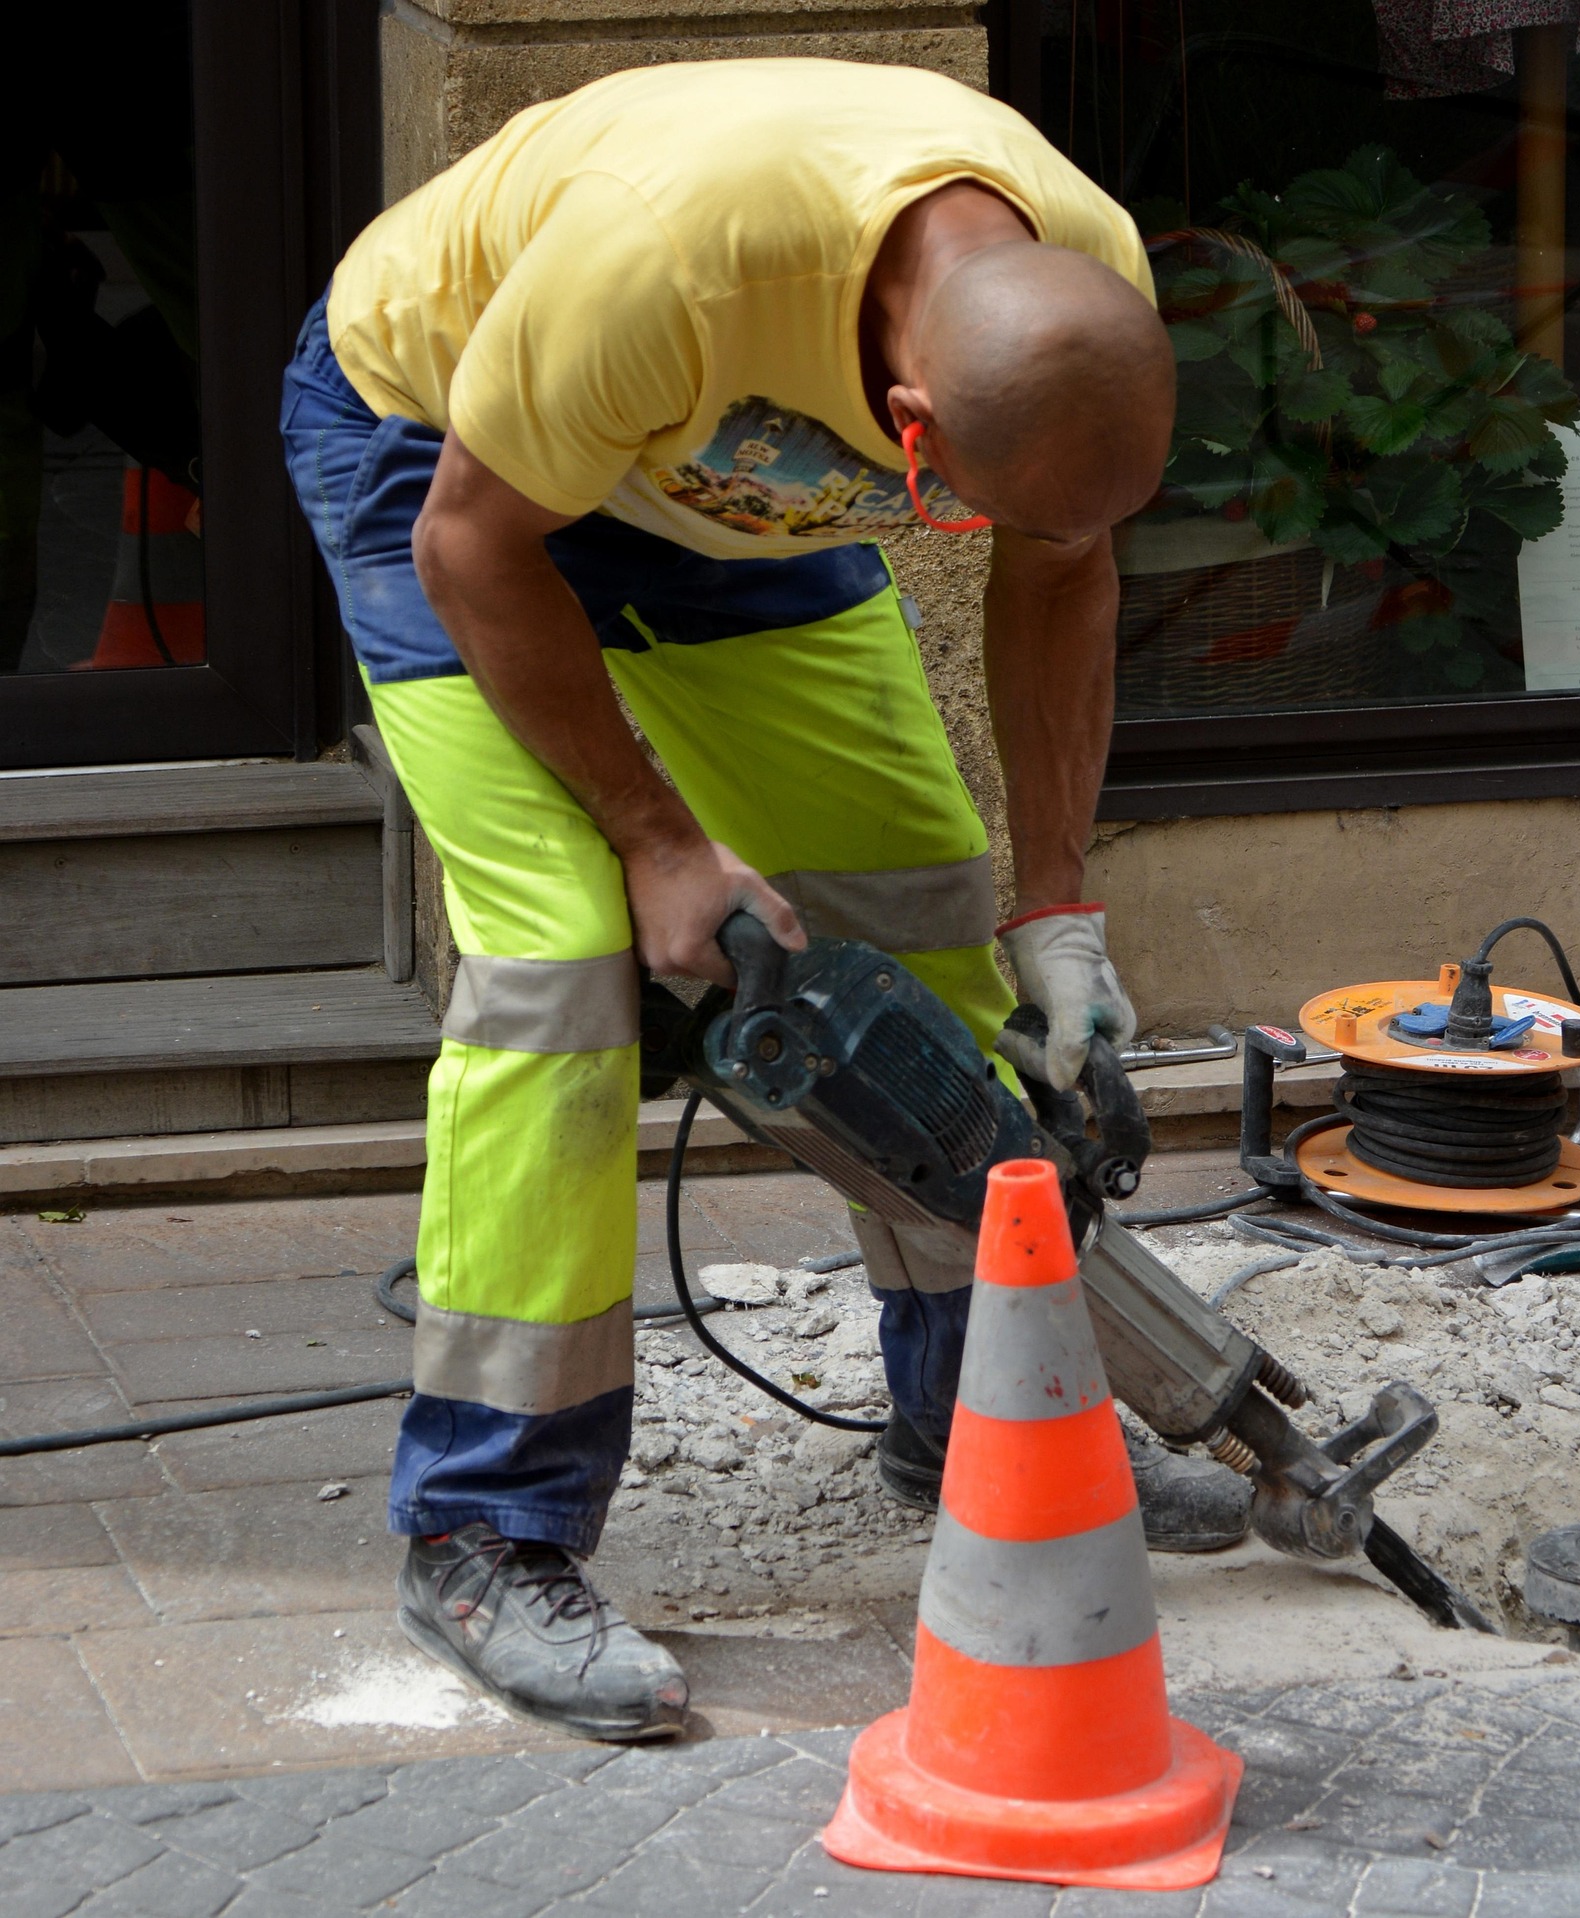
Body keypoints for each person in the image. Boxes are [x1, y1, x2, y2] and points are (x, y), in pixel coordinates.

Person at [282, 55, 1251, 1745]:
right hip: (448, 448)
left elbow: (1060, 565)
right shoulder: (662, 264)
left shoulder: (1073, 292)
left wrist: (1058, 907)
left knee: (922, 913)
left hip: (714, 472)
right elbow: (475, 548)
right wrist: (659, 839)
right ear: (912, 433)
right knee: (565, 968)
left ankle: (977, 1420)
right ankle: (483, 1530)